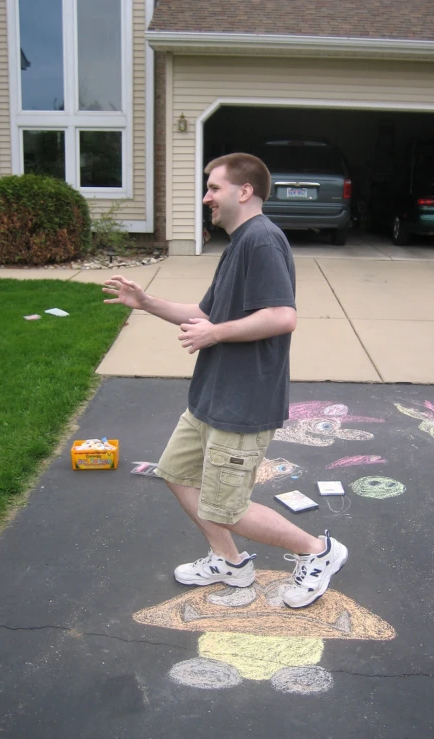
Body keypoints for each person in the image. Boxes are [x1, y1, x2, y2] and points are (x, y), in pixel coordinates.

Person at [102, 153, 348, 608]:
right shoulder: (239, 243)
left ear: (244, 191)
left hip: (244, 403)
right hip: (211, 396)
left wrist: (216, 333)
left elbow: (282, 316)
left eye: (214, 188)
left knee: (227, 507)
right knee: (175, 472)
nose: (206, 197)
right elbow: (206, 314)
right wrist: (146, 302)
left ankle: (319, 552)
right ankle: (230, 562)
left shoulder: (262, 241)